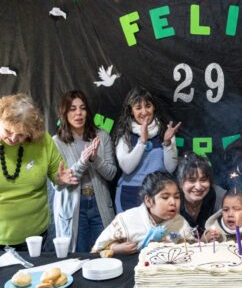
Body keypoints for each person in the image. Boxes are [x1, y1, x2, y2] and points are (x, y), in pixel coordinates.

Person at [0, 94, 75, 251]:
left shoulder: (42, 140)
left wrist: (60, 178)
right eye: (7, 131)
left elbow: (56, 173)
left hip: (35, 238)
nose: (13, 138)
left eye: (21, 135)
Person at [53, 91, 117, 252]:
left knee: (104, 252)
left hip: (99, 204)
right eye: (72, 109)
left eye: (82, 108)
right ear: (64, 113)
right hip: (73, 207)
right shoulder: (56, 142)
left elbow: (111, 174)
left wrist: (95, 159)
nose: (78, 113)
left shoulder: (102, 136)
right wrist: (82, 162)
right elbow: (58, 184)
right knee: (78, 255)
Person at [92, 171, 193, 256]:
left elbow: (192, 248)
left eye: (176, 197)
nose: (173, 202)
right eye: (165, 197)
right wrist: (116, 249)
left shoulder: (180, 222)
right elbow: (100, 247)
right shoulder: (127, 219)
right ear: (148, 201)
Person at [113, 86, 181, 212]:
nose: (144, 112)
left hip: (159, 194)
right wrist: (142, 142)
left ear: (154, 107)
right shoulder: (124, 134)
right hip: (129, 196)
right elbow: (126, 168)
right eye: (138, 108)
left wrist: (167, 143)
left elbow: (171, 168)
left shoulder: (166, 131)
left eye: (148, 106)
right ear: (131, 111)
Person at [176, 152, 226, 235]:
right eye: (191, 180)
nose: (198, 187)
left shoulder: (220, 198)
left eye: (203, 180)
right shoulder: (172, 201)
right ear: (180, 183)